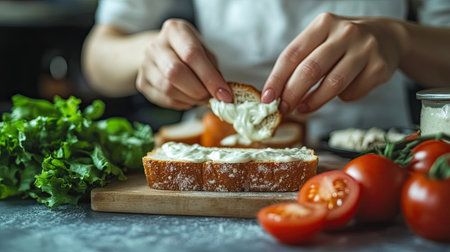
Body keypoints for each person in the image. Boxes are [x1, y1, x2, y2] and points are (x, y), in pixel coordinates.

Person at [82, 0, 450, 144]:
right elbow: (98, 55)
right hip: (216, 152)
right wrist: (145, 55)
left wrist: (400, 39)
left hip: (373, 158)